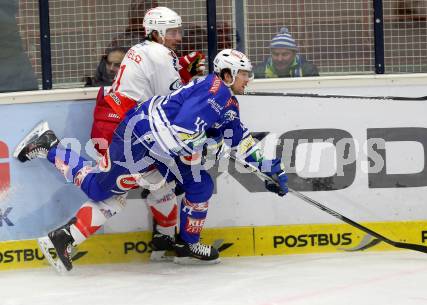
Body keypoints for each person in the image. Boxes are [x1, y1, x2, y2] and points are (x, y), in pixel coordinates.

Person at [14, 49, 289, 272]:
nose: (247, 80)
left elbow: (239, 138)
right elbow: (181, 134)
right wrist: (213, 144)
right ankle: (50, 145)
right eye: (243, 74)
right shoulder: (214, 93)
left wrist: (269, 171)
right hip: (137, 141)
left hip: (161, 147)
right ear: (227, 74)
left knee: (200, 184)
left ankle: (187, 245)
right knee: (99, 189)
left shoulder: (226, 100)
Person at [89, 7, 206, 262]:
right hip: (124, 131)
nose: (179, 37)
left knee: (160, 182)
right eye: (173, 31)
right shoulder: (161, 54)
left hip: (119, 124)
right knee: (107, 192)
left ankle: (163, 238)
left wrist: (184, 71)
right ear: (157, 32)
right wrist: (201, 87)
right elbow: (173, 102)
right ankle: (52, 149)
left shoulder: (142, 49)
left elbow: (159, 92)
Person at [254, 27, 319, 79]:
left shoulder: (308, 70)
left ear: (294, 54)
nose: (280, 59)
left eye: (285, 54)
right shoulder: (259, 72)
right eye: (275, 54)